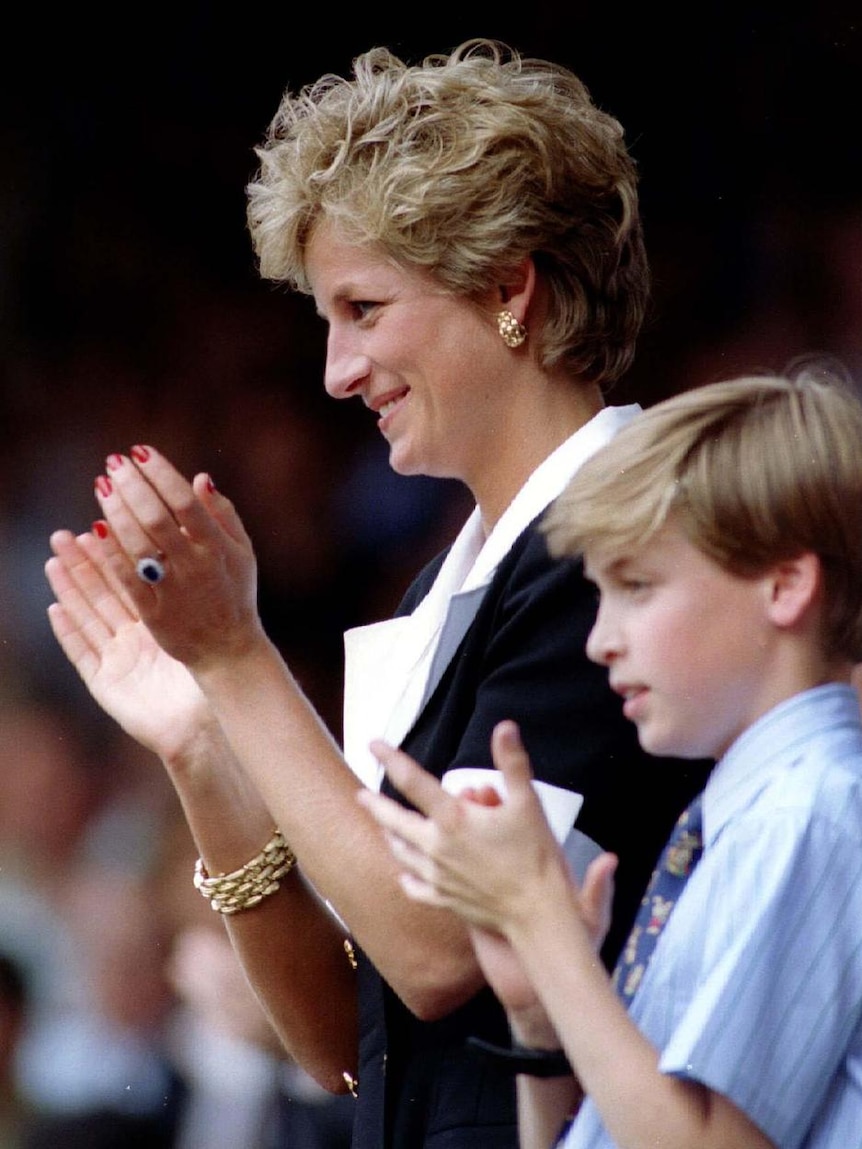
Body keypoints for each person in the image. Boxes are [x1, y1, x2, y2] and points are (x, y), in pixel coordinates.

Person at [43, 40, 709, 1148]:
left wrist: (239, 658)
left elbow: (440, 955)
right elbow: (337, 1040)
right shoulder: (452, 583)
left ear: (508, 288)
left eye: (362, 308)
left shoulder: (618, 550)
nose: (335, 372)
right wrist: (202, 744)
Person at [360, 368, 862, 1149]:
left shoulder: (812, 811)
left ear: (786, 584)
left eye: (638, 585)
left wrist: (542, 927)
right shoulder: (748, 814)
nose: (600, 639)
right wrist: (538, 1012)